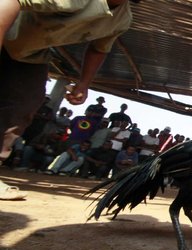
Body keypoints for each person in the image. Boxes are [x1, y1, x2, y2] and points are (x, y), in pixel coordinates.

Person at [0, 0, 137, 161]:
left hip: (28, 54)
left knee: (23, 106)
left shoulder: (121, 19)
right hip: (7, 31)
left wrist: (84, 83)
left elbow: (98, 49)